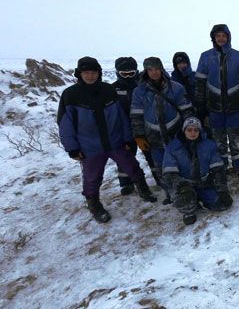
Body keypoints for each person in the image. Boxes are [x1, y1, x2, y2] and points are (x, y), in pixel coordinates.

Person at [57, 56, 157, 223]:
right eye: (86, 72)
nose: (90, 76)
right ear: (79, 74)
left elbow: (121, 117)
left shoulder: (108, 90)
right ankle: (94, 203)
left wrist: (127, 137)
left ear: (99, 73)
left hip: (115, 141)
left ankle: (143, 189)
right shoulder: (71, 94)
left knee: (132, 166)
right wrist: (72, 148)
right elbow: (65, 124)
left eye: (93, 72)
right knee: (92, 177)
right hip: (89, 145)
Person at [194, 24, 239, 179]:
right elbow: (200, 84)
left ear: (228, 37)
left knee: (237, 141)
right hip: (214, 109)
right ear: (213, 38)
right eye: (218, 36)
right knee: (218, 142)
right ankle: (220, 167)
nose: (221, 38)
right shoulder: (205, 57)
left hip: (234, 108)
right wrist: (200, 106)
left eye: (224, 36)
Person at [131, 57, 194, 204]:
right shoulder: (139, 92)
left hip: (176, 134)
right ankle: (170, 193)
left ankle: (188, 190)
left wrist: (189, 130)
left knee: (182, 163)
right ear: (146, 71)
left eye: (156, 69)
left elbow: (187, 110)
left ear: (161, 69)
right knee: (160, 168)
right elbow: (136, 116)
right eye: (150, 70)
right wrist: (139, 135)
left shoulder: (176, 88)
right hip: (154, 138)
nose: (154, 72)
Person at [162, 117, 233, 225]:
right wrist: (182, 186)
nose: (193, 133)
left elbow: (218, 169)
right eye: (189, 130)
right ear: (184, 130)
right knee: (185, 201)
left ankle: (202, 200)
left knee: (222, 205)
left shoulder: (209, 145)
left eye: (196, 130)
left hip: (204, 182)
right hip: (184, 186)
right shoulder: (172, 148)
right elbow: (169, 174)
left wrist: (222, 190)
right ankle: (189, 209)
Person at [112, 56, 162, 195]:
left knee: (151, 155)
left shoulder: (143, 86)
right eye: (124, 74)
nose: (128, 77)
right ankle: (126, 183)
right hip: (124, 130)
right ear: (117, 72)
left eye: (131, 73)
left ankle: (160, 178)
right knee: (126, 158)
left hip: (145, 127)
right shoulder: (113, 89)